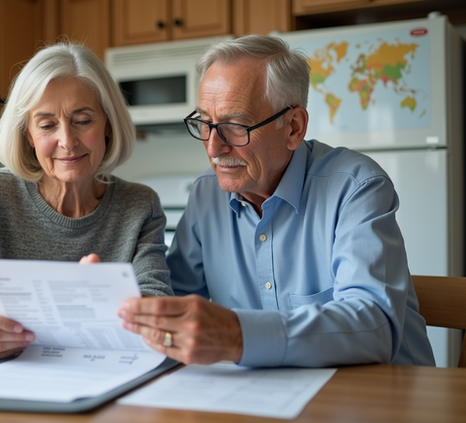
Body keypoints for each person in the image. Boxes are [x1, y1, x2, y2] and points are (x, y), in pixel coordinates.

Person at [117, 35, 436, 368]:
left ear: (294, 127)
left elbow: (375, 326)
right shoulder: (206, 194)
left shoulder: (356, 187)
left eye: (235, 127)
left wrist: (237, 334)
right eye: (205, 124)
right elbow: (174, 299)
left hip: (386, 397)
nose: (213, 149)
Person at [0, 42, 173, 361]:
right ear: (27, 134)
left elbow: (159, 316)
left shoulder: (139, 205)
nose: (67, 141)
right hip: (7, 382)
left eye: (83, 120)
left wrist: (103, 298)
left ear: (107, 124)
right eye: (47, 125)